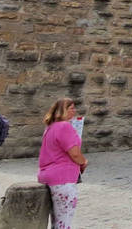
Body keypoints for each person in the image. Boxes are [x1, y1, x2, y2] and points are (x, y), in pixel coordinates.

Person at [38, 98, 87, 229]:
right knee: (64, 220)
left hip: (48, 175)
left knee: (56, 220)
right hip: (62, 177)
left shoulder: (50, 127)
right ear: (63, 110)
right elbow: (74, 153)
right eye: (71, 108)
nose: (74, 111)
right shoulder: (64, 126)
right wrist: (84, 162)